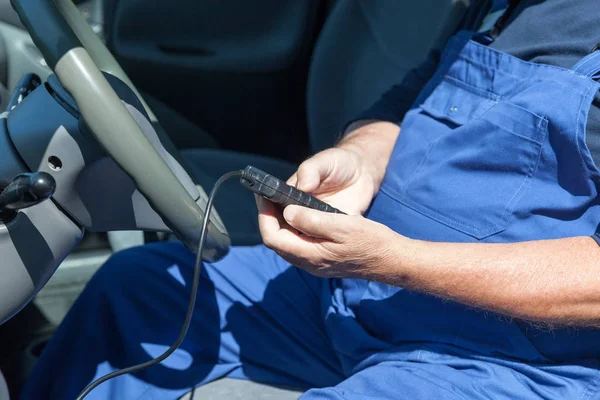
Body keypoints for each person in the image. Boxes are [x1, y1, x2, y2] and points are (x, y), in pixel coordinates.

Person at [21, 0, 600, 399]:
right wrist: (359, 158)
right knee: (138, 289)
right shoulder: (507, 8)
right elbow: (402, 106)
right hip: (357, 295)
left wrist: (394, 260)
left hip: (512, 361)